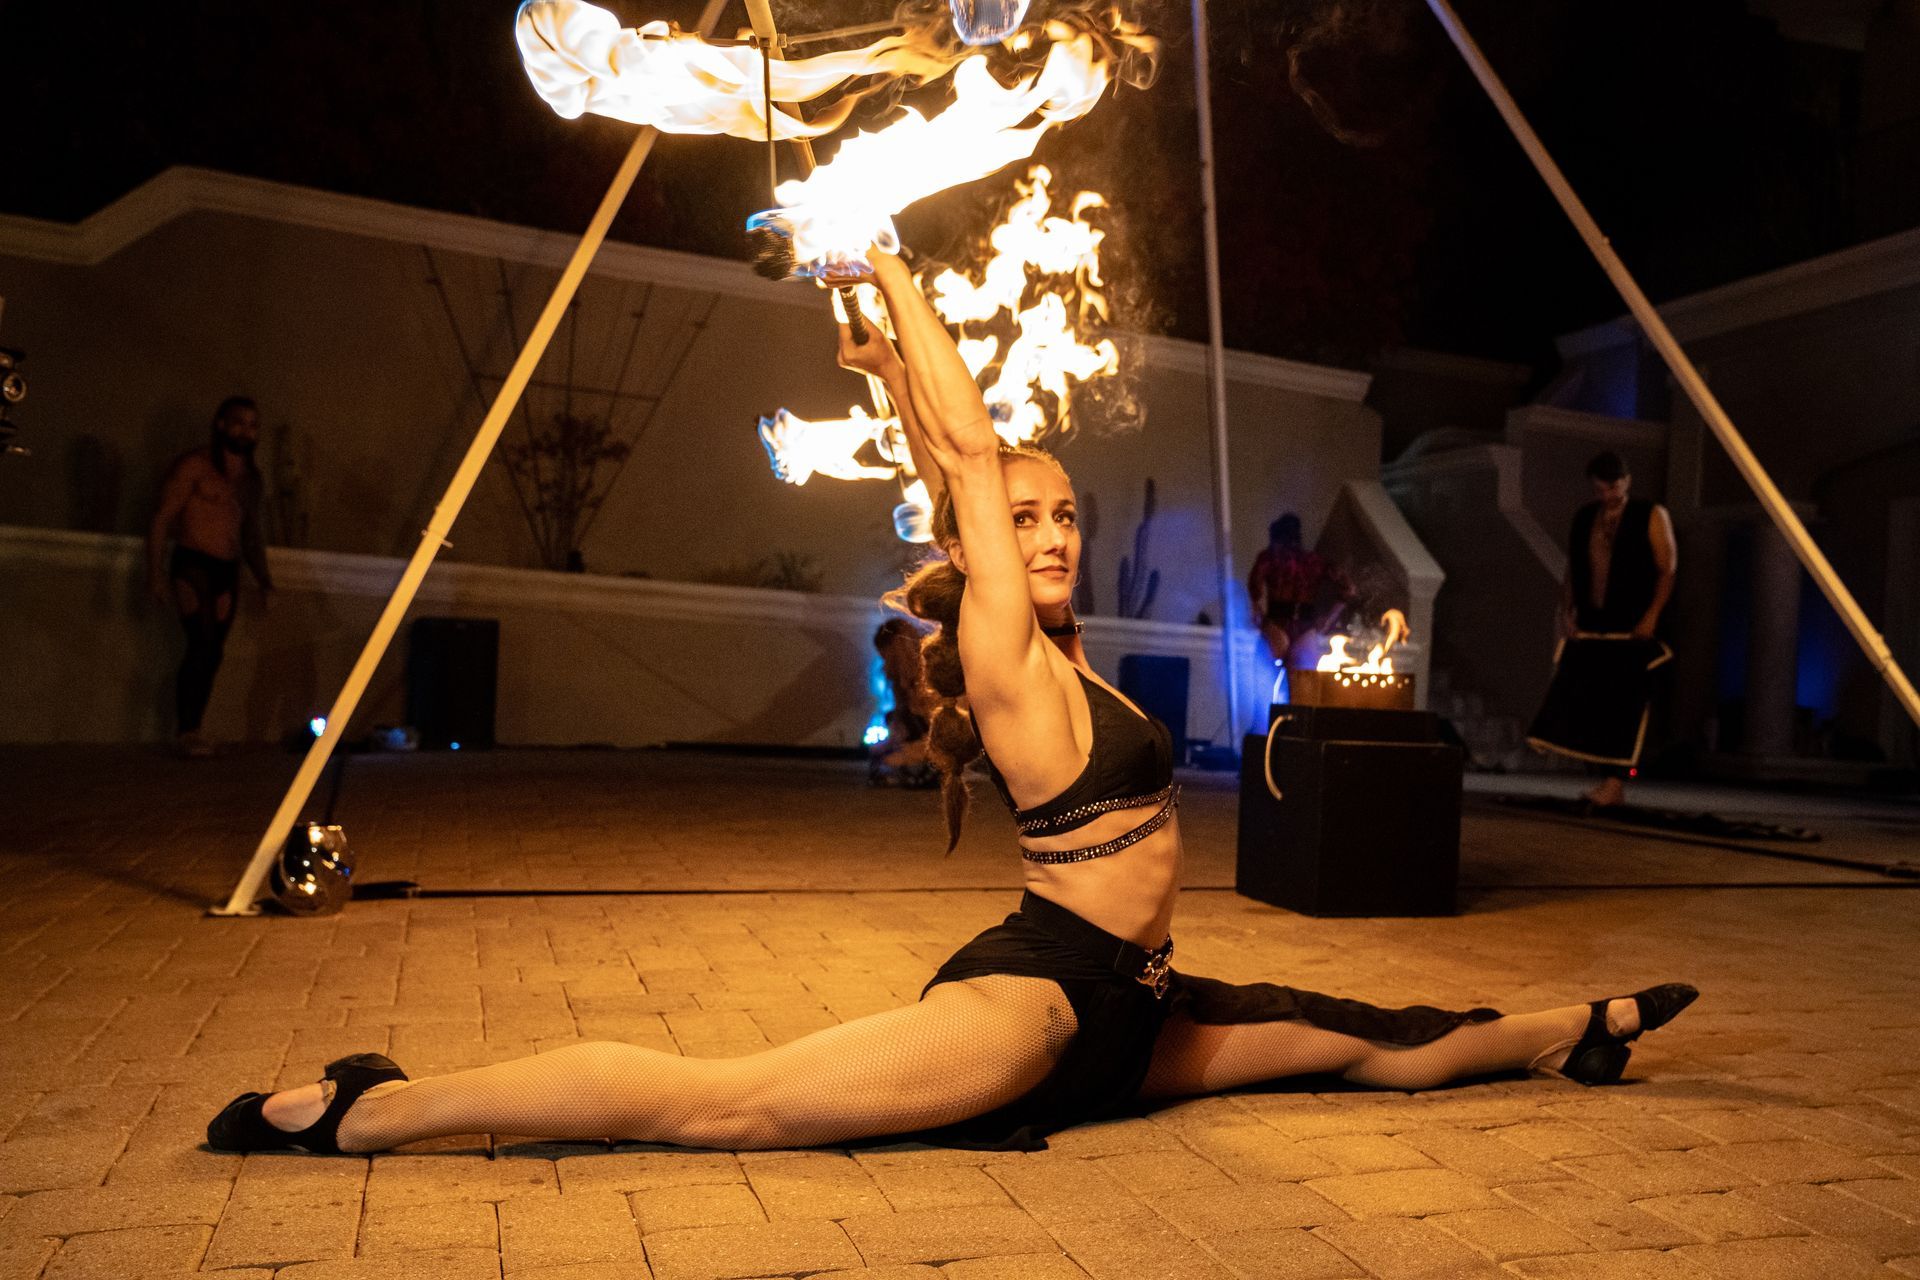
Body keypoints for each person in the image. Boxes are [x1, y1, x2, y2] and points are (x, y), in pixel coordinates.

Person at [207, 251, 1695, 1158]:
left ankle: (1583, 1027)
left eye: (1065, 517)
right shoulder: (1005, 657)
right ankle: (370, 1109)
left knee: (1370, 1038)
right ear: (990, 543)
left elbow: (954, 463)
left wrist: (885, 367)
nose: (1048, 534)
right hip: (1036, 1000)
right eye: (1026, 517)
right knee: (726, 1104)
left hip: (1147, 1005)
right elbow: (970, 469)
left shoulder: (1074, 654)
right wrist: (894, 268)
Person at [1527, 451, 1678, 807]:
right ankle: (1603, 783)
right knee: (1584, 699)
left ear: (1626, 481)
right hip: (1594, 624)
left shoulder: (1650, 514)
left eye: (1614, 486)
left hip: (1632, 627)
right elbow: (1573, 569)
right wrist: (1568, 611)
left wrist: (1652, 615)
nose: (1607, 495)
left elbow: (1667, 569)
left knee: (1622, 704)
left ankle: (1614, 784)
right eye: (1600, 488)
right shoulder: (1585, 518)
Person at [147, 397, 274, 755]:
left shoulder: (251, 478)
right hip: (193, 564)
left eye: (253, 425)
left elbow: (250, 532)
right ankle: (187, 730)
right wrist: (154, 574)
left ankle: (194, 727)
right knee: (201, 645)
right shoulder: (194, 466)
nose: (246, 431)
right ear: (221, 424)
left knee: (213, 651)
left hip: (226, 570)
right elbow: (161, 517)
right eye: (239, 423)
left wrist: (263, 577)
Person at [1248, 513, 1354, 671]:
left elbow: (1254, 590)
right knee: (1304, 688)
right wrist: (1329, 618)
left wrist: (1262, 619)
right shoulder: (1315, 562)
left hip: (1277, 624)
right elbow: (1349, 589)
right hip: (1305, 629)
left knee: (1263, 685)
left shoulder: (1270, 558)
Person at [868, 617, 936, 788]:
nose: (885, 664)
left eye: (885, 656)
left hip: (936, 747)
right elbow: (900, 722)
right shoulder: (903, 684)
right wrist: (893, 741)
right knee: (882, 752)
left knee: (889, 762)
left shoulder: (931, 678)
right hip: (923, 743)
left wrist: (908, 753)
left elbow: (941, 737)